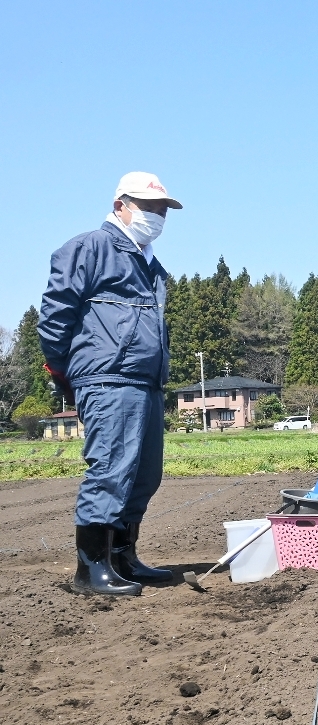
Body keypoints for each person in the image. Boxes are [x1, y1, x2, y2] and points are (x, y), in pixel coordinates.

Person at [38, 172, 182, 596]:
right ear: (121, 205)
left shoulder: (151, 262)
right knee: (112, 469)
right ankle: (91, 568)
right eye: (148, 206)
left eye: (161, 209)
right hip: (108, 375)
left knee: (144, 474)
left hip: (146, 380)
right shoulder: (89, 247)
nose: (156, 215)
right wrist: (66, 371)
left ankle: (124, 557)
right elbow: (55, 316)